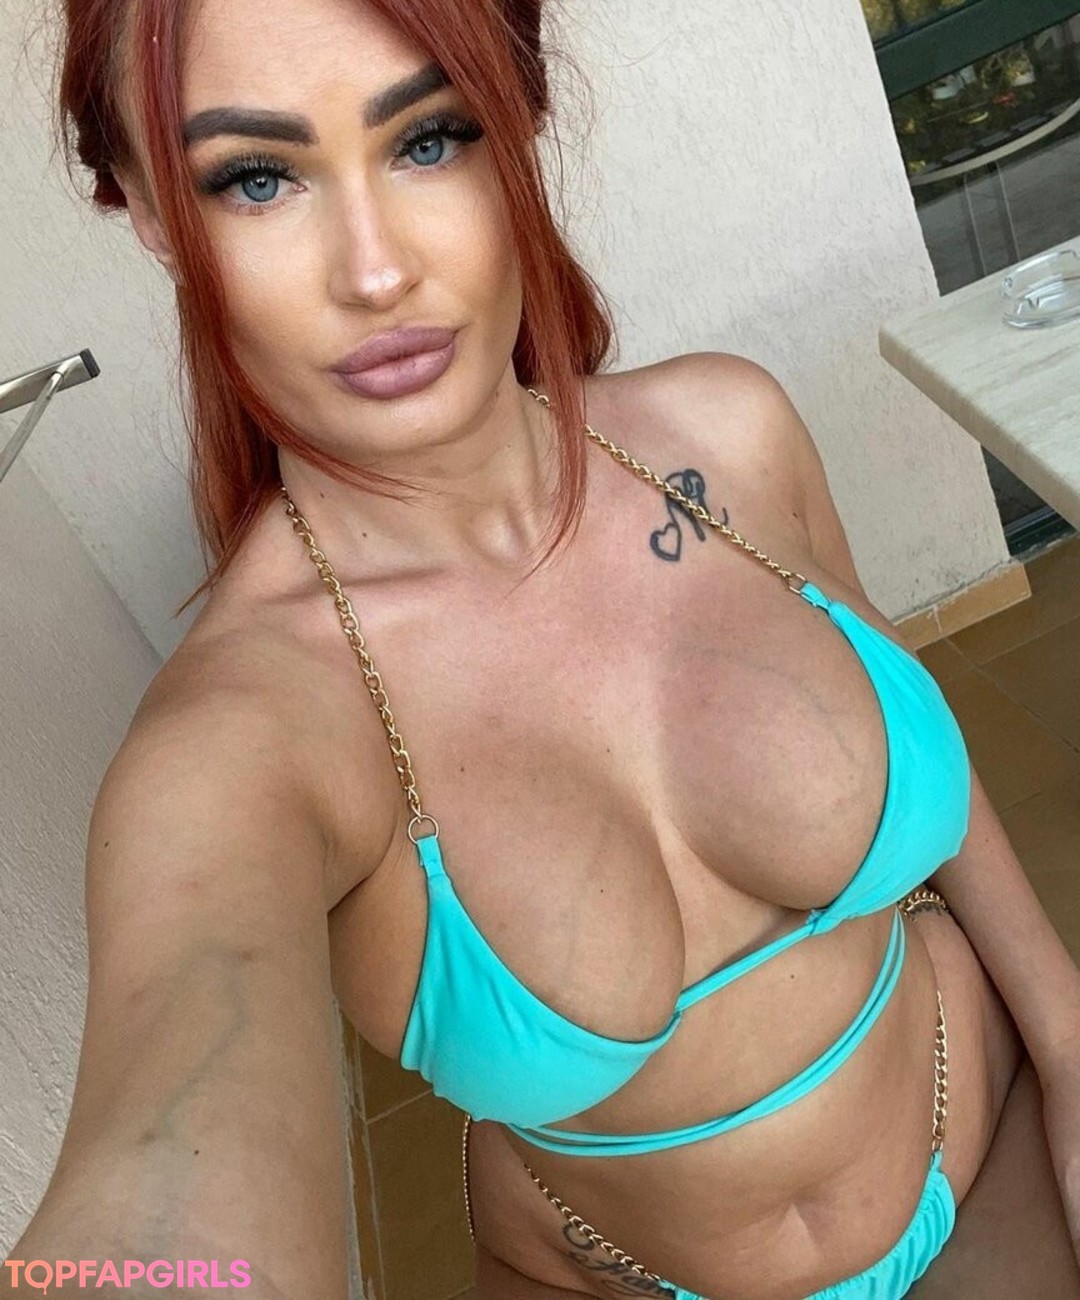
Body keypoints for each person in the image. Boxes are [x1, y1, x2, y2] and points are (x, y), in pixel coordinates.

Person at [6, 0, 1080, 1297]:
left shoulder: (728, 433)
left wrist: (1069, 1037)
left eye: (428, 138)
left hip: (994, 1127)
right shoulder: (243, 737)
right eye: (256, 178)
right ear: (145, 208)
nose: (376, 271)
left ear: (516, 114)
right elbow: (165, 1172)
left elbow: (922, 745)